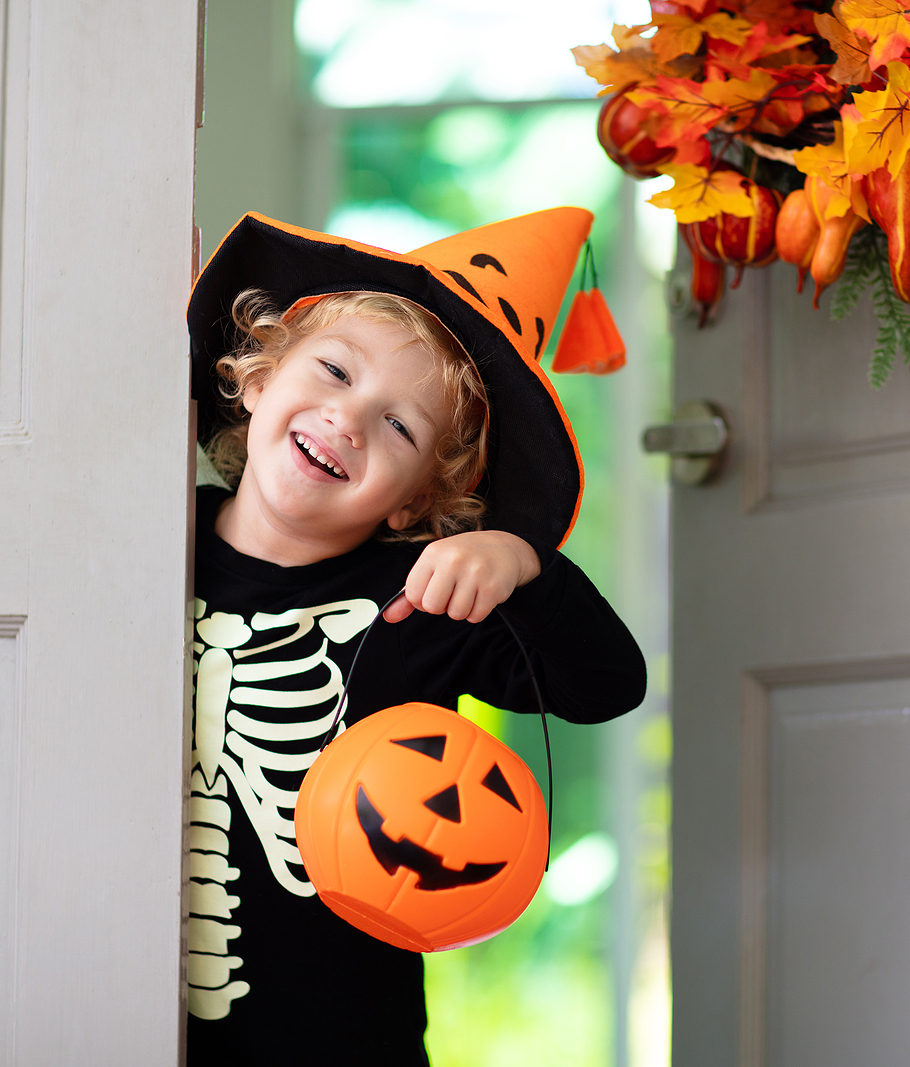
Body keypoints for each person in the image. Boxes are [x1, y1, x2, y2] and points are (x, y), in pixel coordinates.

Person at [182, 208, 647, 1064]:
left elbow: (605, 684)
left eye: (400, 426)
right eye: (331, 370)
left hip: (348, 1040)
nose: (349, 418)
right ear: (253, 377)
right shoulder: (139, 555)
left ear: (416, 502)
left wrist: (525, 564)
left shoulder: (421, 599)